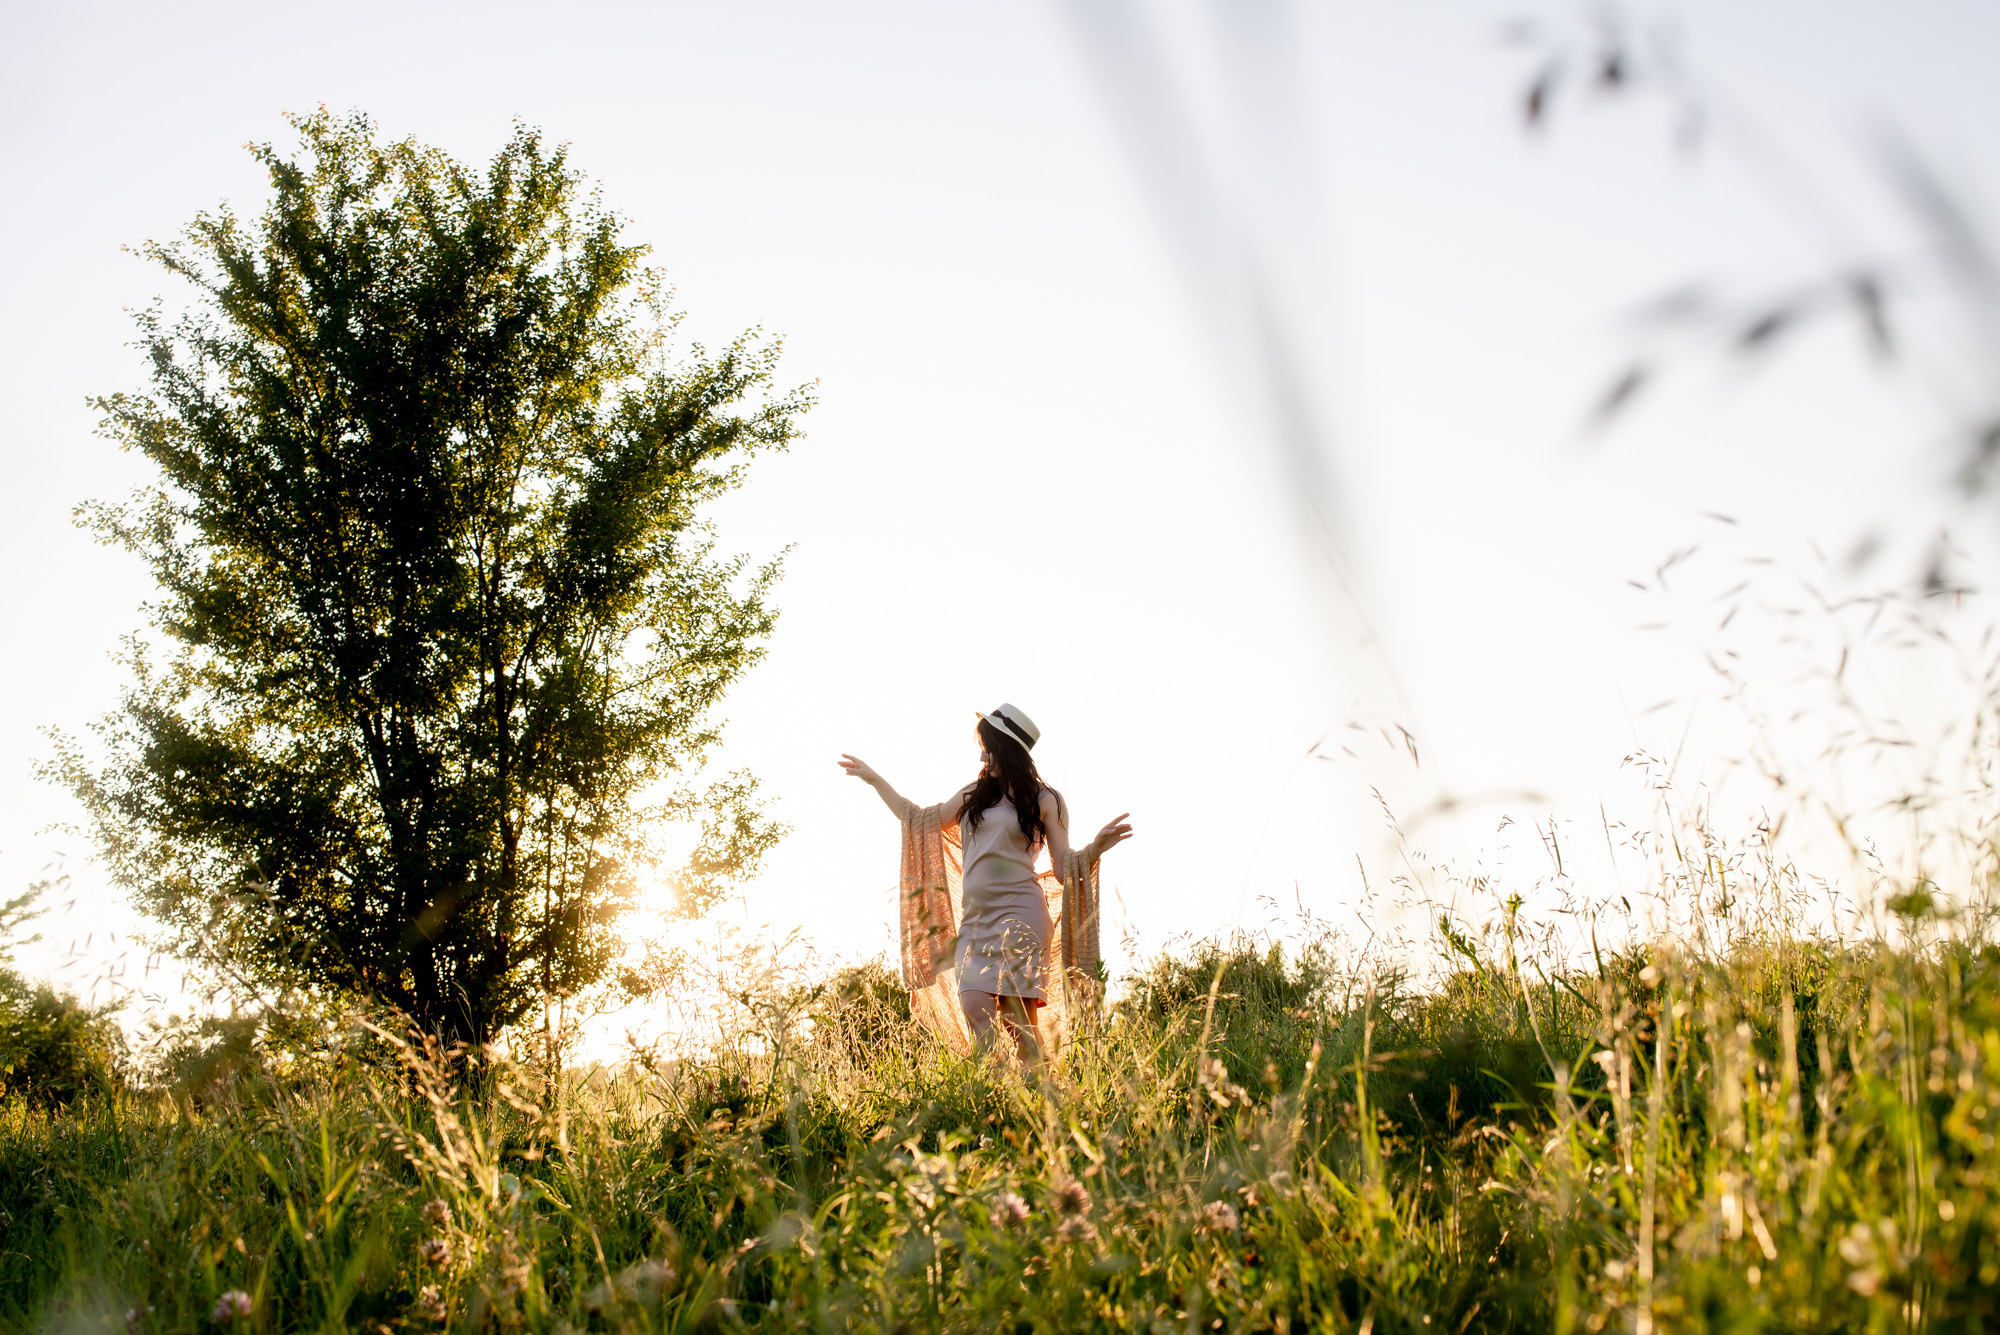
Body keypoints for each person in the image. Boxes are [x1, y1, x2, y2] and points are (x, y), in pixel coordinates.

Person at [839, 703, 1133, 1063]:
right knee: (975, 1008)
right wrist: (874, 780)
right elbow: (918, 820)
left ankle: (1040, 1091)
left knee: (1017, 1024)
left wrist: (1095, 848)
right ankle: (997, 1091)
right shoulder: (974, 794)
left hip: (1022, 916)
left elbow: (1062, 868)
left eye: (988, 748)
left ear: (1009, 750)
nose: (982, 756)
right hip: (976, 923)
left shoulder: (1045, 799)